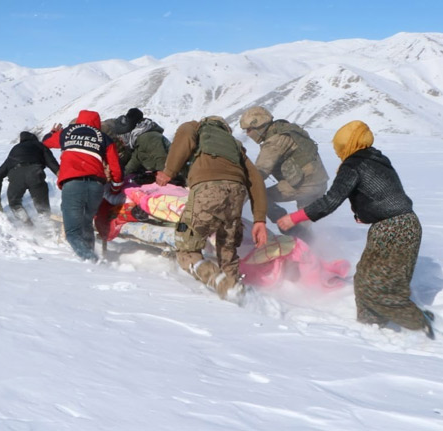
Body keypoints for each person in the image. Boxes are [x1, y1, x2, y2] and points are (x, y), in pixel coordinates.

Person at [277, 120, 435, 339]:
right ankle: (372, 328)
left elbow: (331, 201)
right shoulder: (378, 159)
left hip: (394, 229)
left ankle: (420, 322)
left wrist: (295, 217)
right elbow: (383, 194)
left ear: (347, 144)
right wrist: (366, 214)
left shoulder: (353, 165)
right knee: (364, 280)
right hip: (402, 224)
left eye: (339, 146)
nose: (338, 151)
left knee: (379, 286)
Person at [156, 116, 268, 300]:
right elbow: (255, 179)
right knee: (227, 248)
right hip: (237, 193)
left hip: (208, 189)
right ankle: (236, 291)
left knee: (186, 247)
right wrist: (260, 219)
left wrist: (169, 172)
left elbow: (184, 137)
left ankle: (220, 282)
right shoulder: (235, 145)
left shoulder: (196, 127)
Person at [43, 109, 123, 262]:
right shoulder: (104, 138)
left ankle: (92, 260)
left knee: (72, 232)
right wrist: (115, 187)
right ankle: (90, 258)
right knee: (86, 224)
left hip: (73, 184)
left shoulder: (67, 133)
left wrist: (53, 132)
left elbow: (46, 142)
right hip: (96, 186)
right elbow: (115, 168)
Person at [240, 106, 329, 240]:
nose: (247, 134)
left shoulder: (275, 142)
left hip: (305, 185)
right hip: (318, 183)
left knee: (262, 197)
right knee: (304, 229)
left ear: (259, 126)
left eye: (249, 130)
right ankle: (309, 249)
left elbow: (259, 173)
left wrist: (240, 197)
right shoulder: (288, 129)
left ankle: (285, 224)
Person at [0, 131, 60, 224]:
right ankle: (47, 228)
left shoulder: (15, 149)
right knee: (42, 208)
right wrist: (61, 175)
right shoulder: (39, 145)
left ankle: (28, 226)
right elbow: (51, 162)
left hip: (16, 176)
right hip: (34, 173)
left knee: (15, 203)